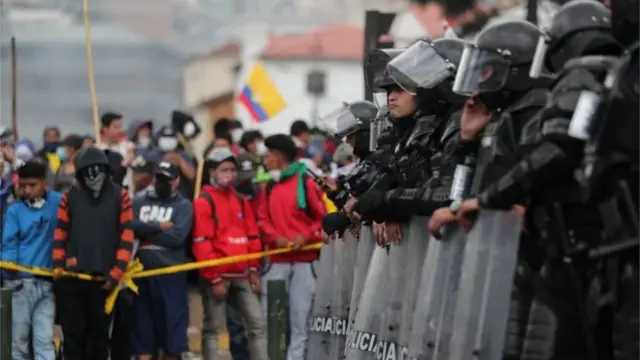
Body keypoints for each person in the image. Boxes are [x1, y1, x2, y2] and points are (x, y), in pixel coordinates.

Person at [52, 147, 135, 360]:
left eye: (97, 170)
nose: (93, 176)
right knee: (73, 338)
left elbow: (127, 237)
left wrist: (117, 273)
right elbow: (60, 234)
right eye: (87, 171)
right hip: (72, 280)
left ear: (106, 170)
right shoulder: (69, 198)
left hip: (104, 281)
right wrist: (58, 267)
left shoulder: (121, 196)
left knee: (98, 340)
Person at [192, 148, 267, 360]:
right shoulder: (203, 201)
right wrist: (213, 277)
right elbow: (202, 243)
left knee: (257, 326)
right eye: (225, 169)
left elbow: (253, 237)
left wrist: (253, 269)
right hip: (218, 276)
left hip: (243, 274)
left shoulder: (241, 200)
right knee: (213, 329)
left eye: (233, 170)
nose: (230, 174)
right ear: (212, 171)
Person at [257, 134, 326, 360]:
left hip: (306, 263)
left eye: (267, 156)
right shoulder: (268, 186)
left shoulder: (306, 182)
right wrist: (274, 237)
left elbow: (323, 219)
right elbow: (263, 219)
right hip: (276, 264)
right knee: (274, 323)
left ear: (278, 156)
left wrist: (305, 237)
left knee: (301, 322)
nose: (265, 160)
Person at [129, 161, 194, 360]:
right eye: (159, 178)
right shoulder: (139, 201)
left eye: (168, 179)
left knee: (173, 334)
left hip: (170, 273)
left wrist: (145, 231)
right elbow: (129, 226)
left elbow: (176, 237)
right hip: (140, 273)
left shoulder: (183, 206)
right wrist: (159, 226)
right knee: (143, 332)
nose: (162, 183)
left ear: (177, 181)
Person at [1, 161, 62, 360]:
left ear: (45, 184)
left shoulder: (59, 202)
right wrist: (9, 265)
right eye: (23, 185)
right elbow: (9, 244)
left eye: (32, 185)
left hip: (47, 284)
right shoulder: (14, 211)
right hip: (19, 283)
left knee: (44, 340)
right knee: (19, 343)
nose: (26, 190)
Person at [152, 126, 196, 199]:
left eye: (171, 138)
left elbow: (191, 175)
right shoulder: (153, 155)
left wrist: (179, 160)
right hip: (158, 198)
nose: (168, 141)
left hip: (181, 197)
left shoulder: (184, 154)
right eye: (165, 138)